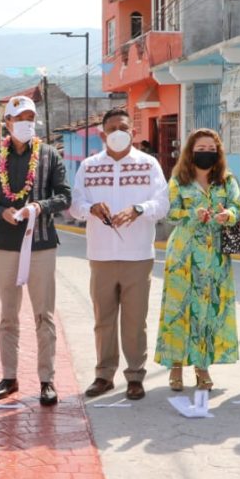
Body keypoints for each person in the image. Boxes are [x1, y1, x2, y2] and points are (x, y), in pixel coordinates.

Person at [0, 95, 71, 406]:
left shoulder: (49, 156)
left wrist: (38, 206)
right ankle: (9, 376)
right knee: (8, 315)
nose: (26, 123)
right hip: (6, 244)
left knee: (44, 314)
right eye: (20, 118)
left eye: (31, 117)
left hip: (42, 243)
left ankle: (46, 379)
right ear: (7, 123)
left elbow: (65, 196)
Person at [70, 108, 168, 400]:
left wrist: (140, 209)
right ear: (102, 134)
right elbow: (75, 204)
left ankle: (135, 376)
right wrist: (91, 209)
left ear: (132, 131)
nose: (117, 132)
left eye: (122, 127)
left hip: (138, 256)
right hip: (100, 254)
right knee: (104, 319)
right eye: (111, 128)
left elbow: (162, 204)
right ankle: (104, 375)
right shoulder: (88, 166)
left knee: (135, 320)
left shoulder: (148, 164)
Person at [155, 128, 240, 392]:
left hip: (215, 256)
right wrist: (193, 213)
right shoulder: (178, 181)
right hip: (184, 255)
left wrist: (227, 214)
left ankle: (202, 367)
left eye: (210, 149)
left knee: (207, 312)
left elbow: (238, 207)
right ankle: (176, 367)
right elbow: (169, 213)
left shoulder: (227, 181)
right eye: (200, 149)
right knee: (179, 311)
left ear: (218, 152)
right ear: (190, 152)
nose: (206, 154)